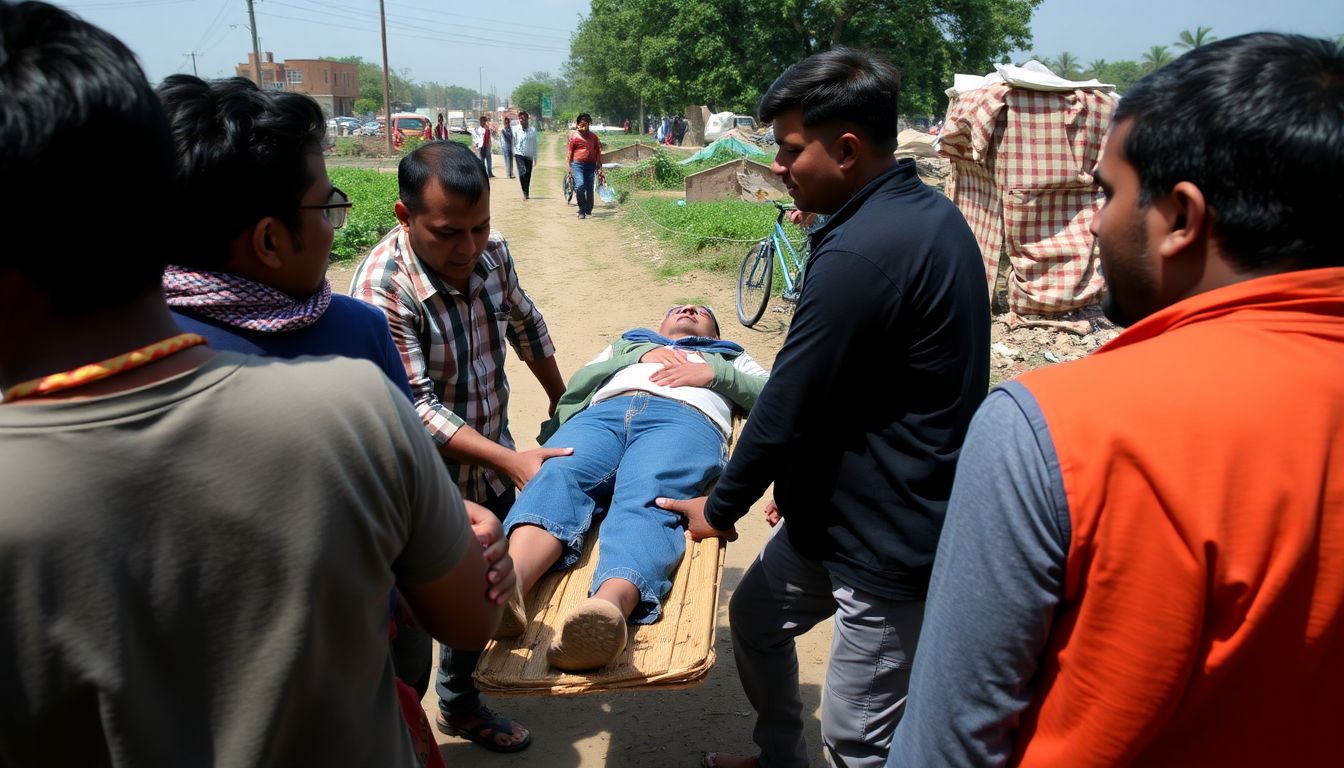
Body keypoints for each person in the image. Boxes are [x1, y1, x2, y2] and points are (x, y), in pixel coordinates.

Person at [0, 3, 513, 766]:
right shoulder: (352, 405)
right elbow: (468, 616)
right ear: (269, 238)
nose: (339, 224)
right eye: (329, 205)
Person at [888, 33, 1344, 768]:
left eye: (1106, 192)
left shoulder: (1061, 428)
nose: (1092, 222)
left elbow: (946, 747)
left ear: (1183, 219)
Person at [658, 47, 989, 768]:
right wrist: (802, 482)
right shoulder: (906, 216)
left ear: (846, 149)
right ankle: (780, 755)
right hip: (840, 511)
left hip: (886, 534)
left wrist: (719, 510)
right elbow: (849, 385)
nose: (778, 164)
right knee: (756, 619)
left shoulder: (867, 252)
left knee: (857, 735)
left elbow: (788, 399)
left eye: (789, 147)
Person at [351, 140, 570, 754]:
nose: (468, 248)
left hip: (489, 462)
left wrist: (562, 400)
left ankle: (460, 700)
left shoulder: (491, 255)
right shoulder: (383, 287)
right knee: (412, 627)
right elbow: (412, 406)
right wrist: (511, 459)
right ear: (404, 215)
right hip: (418, 489)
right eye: (448, 233)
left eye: (479, 228)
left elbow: (525, 322)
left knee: (481, 594)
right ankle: (397, 734)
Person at [499, 304, 768, 671]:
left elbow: (773, 395)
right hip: (602, 415)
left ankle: (608, 609)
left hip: (685, 418)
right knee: (558, 474)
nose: (688, 308)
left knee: (650, 496)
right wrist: (637, 353)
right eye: (678, 308)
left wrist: (714, 371)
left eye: (701, 311)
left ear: (714, 335)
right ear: (660, 322)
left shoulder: (729, 356)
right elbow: (583, 381)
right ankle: (509, 588)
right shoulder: (630, 342)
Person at [566, 112, 604, 220]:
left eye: (587, 123)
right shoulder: (575, 137)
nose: (584, 126)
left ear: (589, 124)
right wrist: (569, 165)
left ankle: (588, 208)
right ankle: (581, 210)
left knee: (589, 187)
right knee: (580, 186)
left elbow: (598, 150)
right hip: (578, 165)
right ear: (578, 124)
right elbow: (570, 151)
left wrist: (598, 162)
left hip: (591, 165)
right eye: (582, 123)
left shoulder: (593, 137)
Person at [513, 110, 538, 200]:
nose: (521, 120)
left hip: (529, 154)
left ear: (527, 119)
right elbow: (513, 141)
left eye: (523, 118)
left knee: (528, 173)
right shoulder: (516, 129)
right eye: (520, 118)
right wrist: (513, 152)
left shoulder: (532, 130)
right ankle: (524, 191)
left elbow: (534, 143)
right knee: (522, 171)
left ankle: (526, 191)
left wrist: (535, 156)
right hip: (519, 154)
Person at [500, 113, 516, 179]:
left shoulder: (510, 129)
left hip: (510, 146)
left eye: (507, 123)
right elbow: (506, 139)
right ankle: (508, 174)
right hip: (505, 147)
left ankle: (511, 173)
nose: (506, 124)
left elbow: (511, 137)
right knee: (507, 160)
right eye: (505, 123)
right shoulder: (503, 130)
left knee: (511, 160)